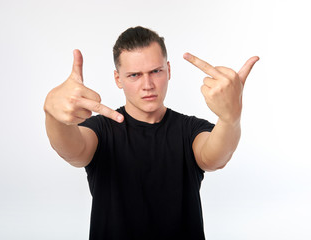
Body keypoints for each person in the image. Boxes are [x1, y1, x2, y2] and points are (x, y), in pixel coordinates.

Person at [43, 26, 259, 240]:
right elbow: (72, 150)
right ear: (118, 79)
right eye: (135, 75)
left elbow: (214, 158)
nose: (148, 85)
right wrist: (53, 115)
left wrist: (230, 117)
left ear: (169, 71)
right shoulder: (101, 130)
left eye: (156, 71)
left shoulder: (190, 129)